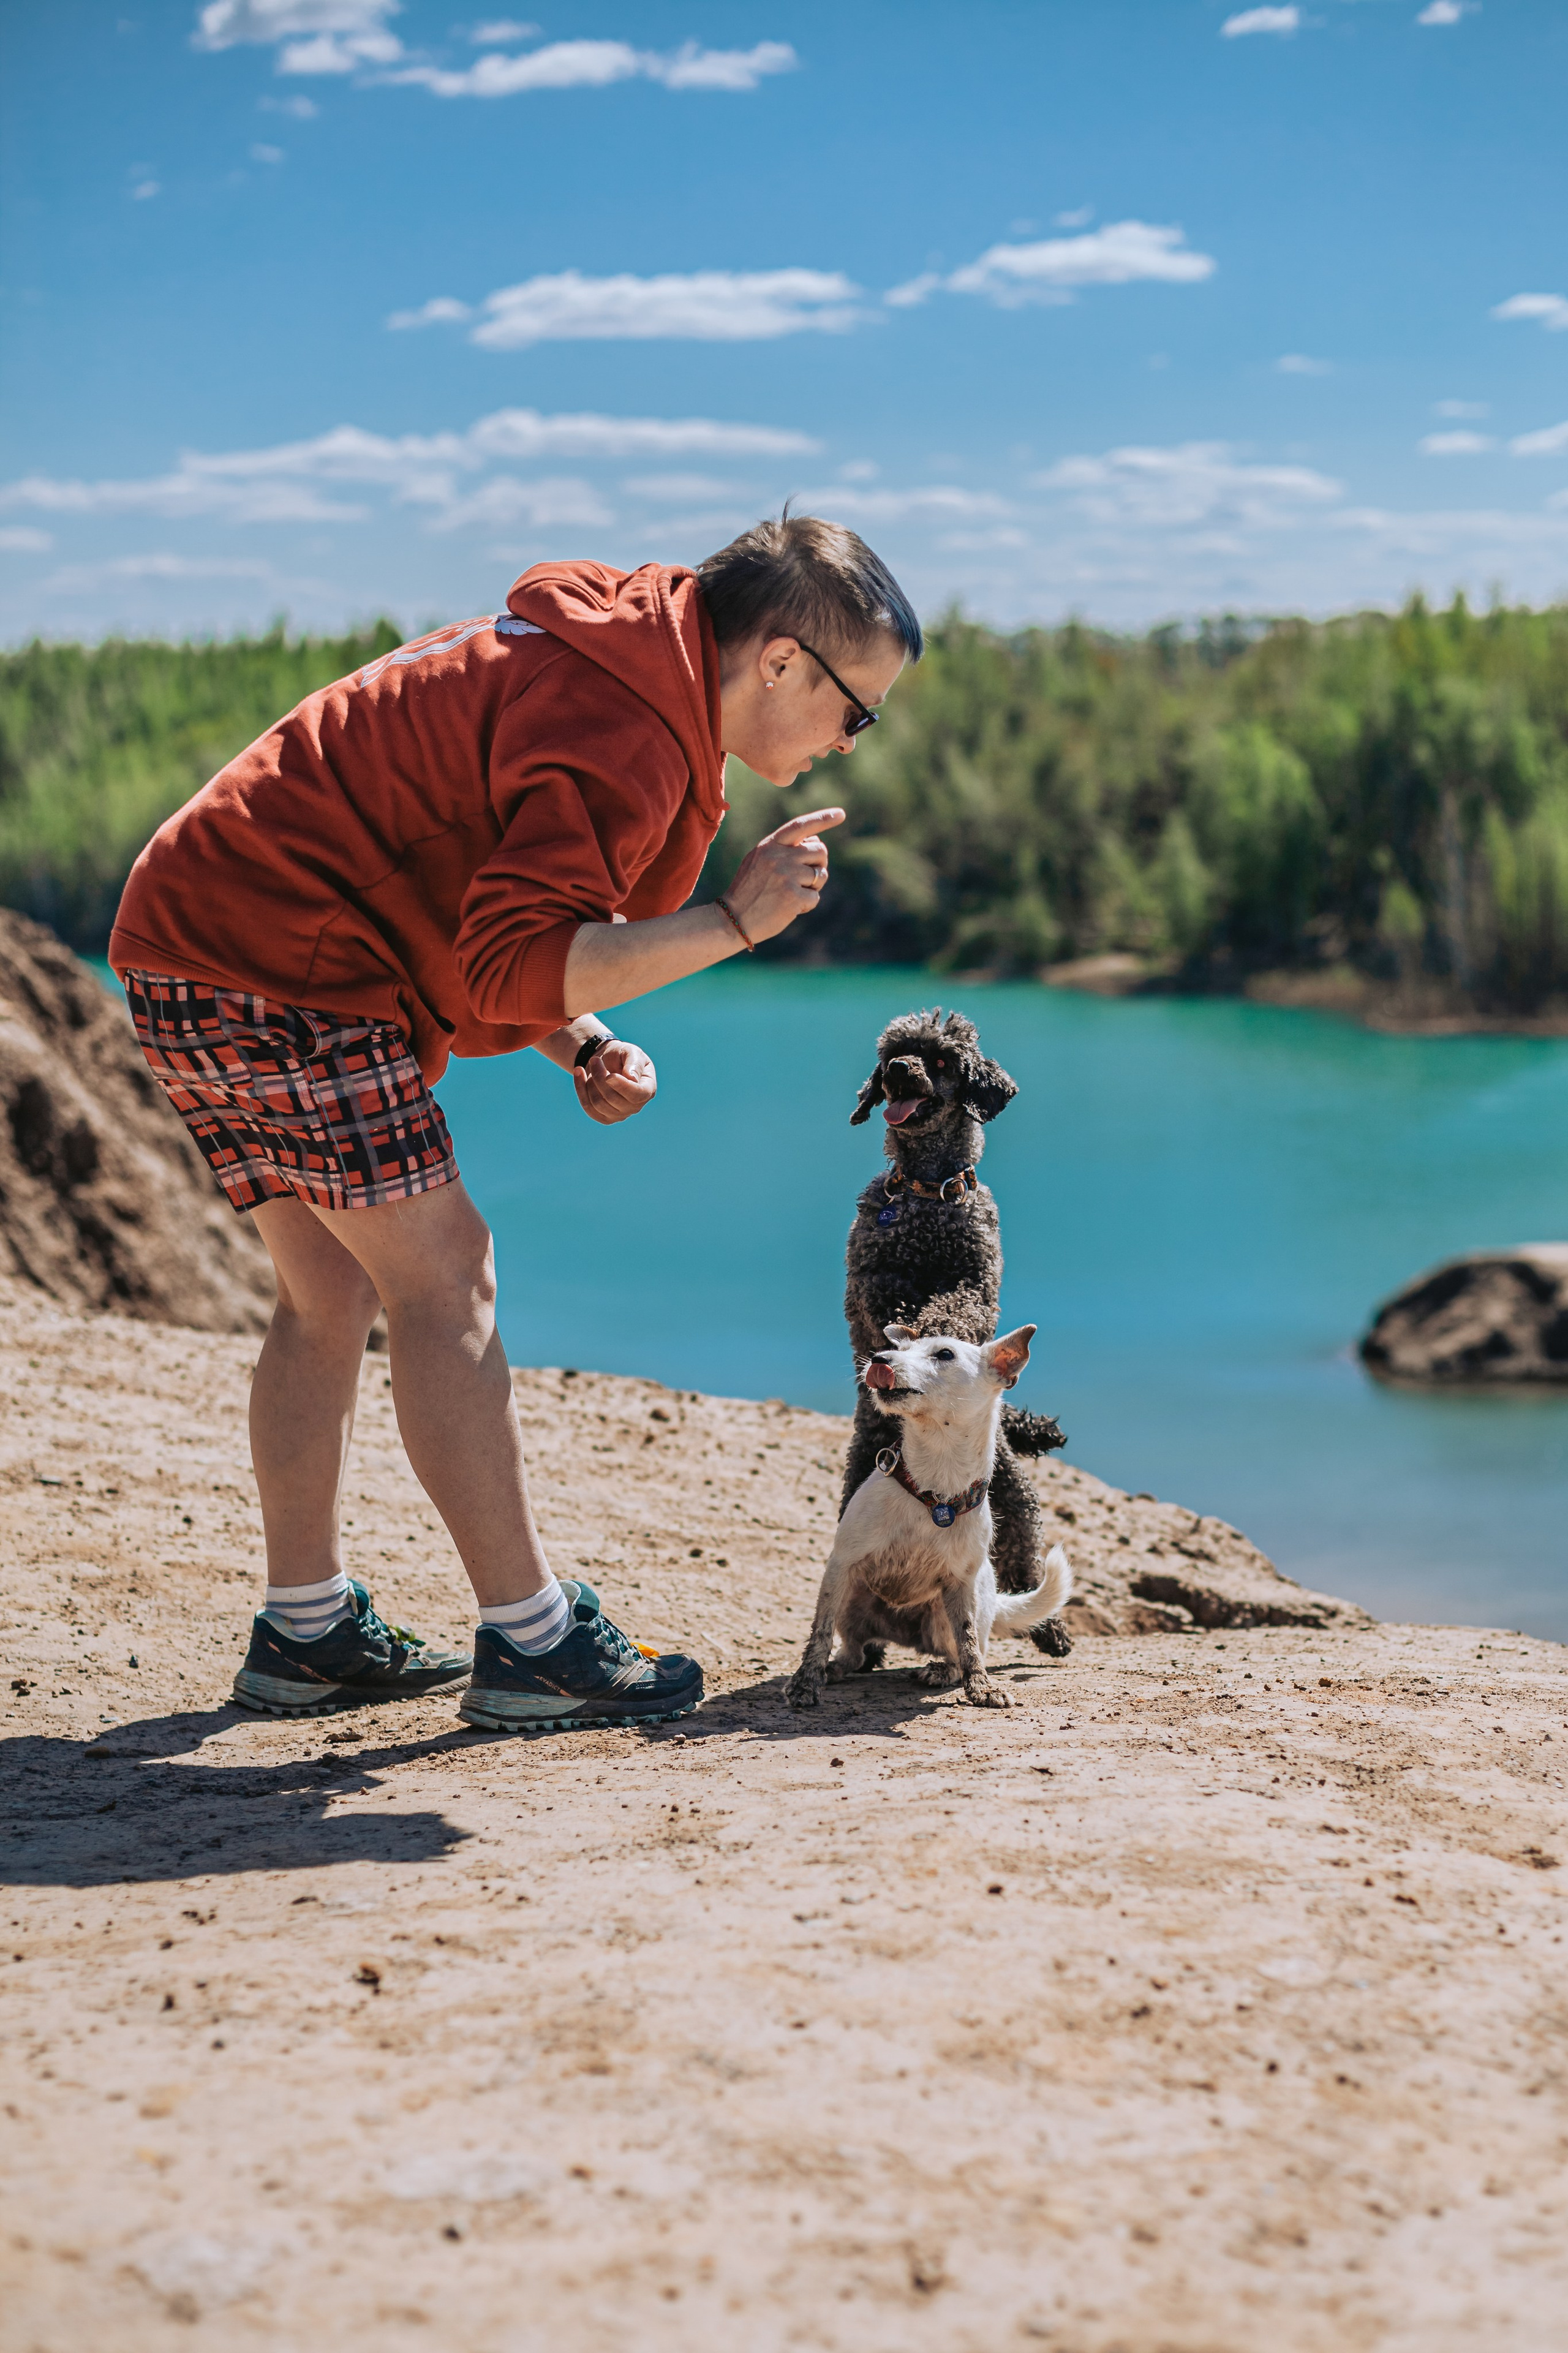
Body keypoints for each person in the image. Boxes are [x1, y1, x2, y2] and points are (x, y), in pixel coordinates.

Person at [108, 513, 922, 1733]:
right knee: (448, 1280)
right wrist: (735, 923)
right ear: (780, 662)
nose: (853, 739)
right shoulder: (625, 731)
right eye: (857, 709)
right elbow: (499, 962)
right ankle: (532, 1638)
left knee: (326, 1294)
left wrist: (580, 1038)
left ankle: (307, 1627)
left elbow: (454, 900)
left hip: (194, 940)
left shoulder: (609, 660)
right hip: (283, 961)